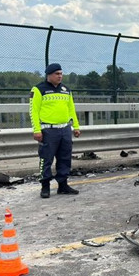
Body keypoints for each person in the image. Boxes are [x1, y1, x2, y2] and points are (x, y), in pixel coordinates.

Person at [30, 63, 81, 199]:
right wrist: (37, 130)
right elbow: (33, 111)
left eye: (61, 73)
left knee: (65, 158)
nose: (60, 76)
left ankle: (63, 185)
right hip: (48, 130)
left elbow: (71, 109)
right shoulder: (38, 90)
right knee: (46, 159)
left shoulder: (66, 90)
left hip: (64, 129)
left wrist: (75, 126)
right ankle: (45, 186)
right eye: (57, 74)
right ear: (49, 75)